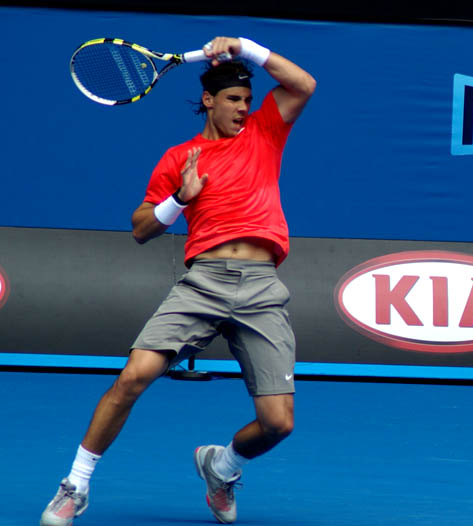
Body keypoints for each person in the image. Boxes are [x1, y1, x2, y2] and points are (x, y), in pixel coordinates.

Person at [40, 36, 316, 526]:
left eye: (248, 101)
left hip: (261, 287)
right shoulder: (178, 158)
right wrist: (180, 200)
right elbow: (142, 228)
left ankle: (222, 466)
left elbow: (304, 83)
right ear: (209, 100)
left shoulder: (265, 132)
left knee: (278, 424)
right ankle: (75, 485)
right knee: (133, 378)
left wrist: (245, 47)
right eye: (234, 100)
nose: (243, 109)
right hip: (203, 282)